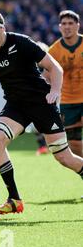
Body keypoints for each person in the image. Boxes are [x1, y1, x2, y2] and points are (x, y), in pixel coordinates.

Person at [0, 10, 83, 215]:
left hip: (42, 102)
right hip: (16, 105)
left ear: (2, 28)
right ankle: (14, 199)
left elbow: (55, 68)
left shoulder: (21, 42)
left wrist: (55, 92)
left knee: (64, 157)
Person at [48, 10, 82, 157]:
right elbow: (45, 74)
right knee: (74, 142)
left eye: (70, 23)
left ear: (77, 26)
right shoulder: (54, 50)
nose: (67, 26)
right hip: (67, 101)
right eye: (64, 23)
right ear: (59, 27)